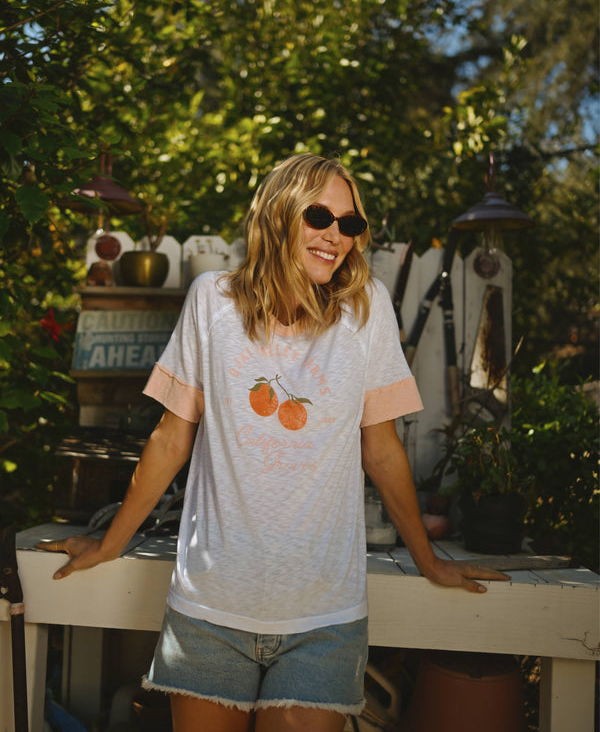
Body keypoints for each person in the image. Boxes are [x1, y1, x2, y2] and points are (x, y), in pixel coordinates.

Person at [38, 154, 508, 732]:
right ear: (279, 215)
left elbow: (382, 449)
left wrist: (427, 559)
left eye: (349, 223)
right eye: (318, 216)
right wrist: (109, 544)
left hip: (324, 616)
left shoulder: (366, 312)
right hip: (209, 609)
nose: (335, 235)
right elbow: (169, 440)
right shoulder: (213, 302)